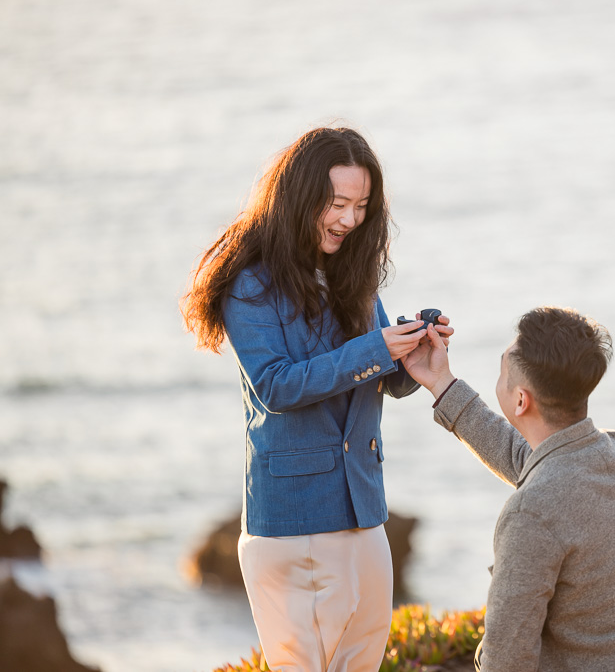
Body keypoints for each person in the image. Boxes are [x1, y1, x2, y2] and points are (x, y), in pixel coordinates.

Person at [180, 126, 452, 672]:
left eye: (361, 205)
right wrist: (375, 348)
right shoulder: (248, 283)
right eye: (337, 204)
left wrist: (411, 358)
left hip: (363, 509)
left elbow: (372, 377)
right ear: (300, 197)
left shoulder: (354, 273)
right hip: (291, 520)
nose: (350, 220)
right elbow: (277, 384)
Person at [401, 307, 615, 672]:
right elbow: (531, 461)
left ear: (521, 401)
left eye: (502, 371)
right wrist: (440, 382)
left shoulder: (531, 513)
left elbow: (507, 660)